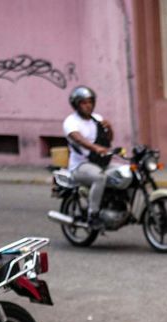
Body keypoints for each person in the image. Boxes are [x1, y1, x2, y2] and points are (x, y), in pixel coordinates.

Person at [62, 85, 113, 230]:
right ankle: (93, 215)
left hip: (100, 162)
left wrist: (109, 127)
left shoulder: (97, 119)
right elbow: (78, 139)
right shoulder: (71, 122)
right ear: (76, 105)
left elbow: (108, 139)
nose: (88, 105)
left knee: (126, 173)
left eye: (90, 102)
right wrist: (95, 147)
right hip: (80, 166)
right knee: (99, 177)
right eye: (84, 102)